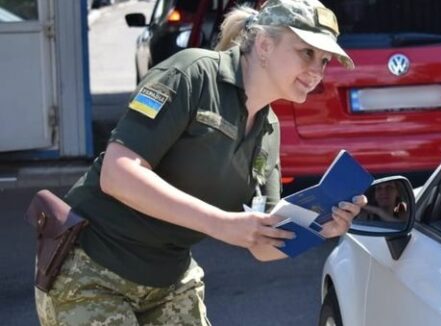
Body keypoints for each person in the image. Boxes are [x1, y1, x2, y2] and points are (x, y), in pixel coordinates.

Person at [34, 1, 366, 325]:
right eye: (307, 52)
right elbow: (117, 174)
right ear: (264, 44)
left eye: (324, 60)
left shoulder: (269, 130)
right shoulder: (192, 74)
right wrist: (222, 223)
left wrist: (321, 228)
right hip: (93, 269)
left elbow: (264, 246)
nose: (317, 71)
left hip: (168, 279)